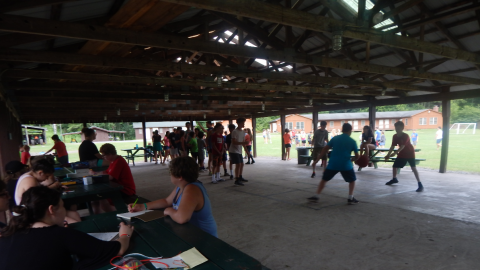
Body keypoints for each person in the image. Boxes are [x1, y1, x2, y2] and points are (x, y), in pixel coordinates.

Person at [0, 186, 133, 269]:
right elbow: (117, 249)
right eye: (63, 206)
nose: (64, 211)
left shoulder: (8, 233)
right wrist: (124, 234)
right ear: (51, 210)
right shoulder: (60, 235)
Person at [128, 157, 217, 237]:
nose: (170, 175)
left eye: (171, 173)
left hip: (205, 238)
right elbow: (167, 201)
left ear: (180, 177)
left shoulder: (192, 189)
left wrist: (169, 211)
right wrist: (143, 206)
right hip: (192, 234)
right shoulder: (182, 185)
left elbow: (182, 218)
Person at [308, 123, 360, 205]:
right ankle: (350, 198)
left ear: (342, 130)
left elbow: (325, 149)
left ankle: (316, 196)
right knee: (352, 180)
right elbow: (357, 156)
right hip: (345, 165)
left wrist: (316, 160)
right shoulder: (352, 141)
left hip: (333, 164)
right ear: (350, 130)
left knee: (324, 180)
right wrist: (353, 159)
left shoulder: (335, 138)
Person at [14, 159, 80, 223]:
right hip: (33, 214)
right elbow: (36, 201)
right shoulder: (30, 180)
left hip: (38, 211)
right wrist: (54, 187)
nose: (47, 178)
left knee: (74, 214)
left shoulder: (30, 175)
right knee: (71, 220)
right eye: (47, 176)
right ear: (40, 173)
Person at [384, 121, 424, 192]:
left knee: (413, 168)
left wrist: (394, 153)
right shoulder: (395, 136)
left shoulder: (406, 136)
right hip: (402, 154)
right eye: (396, 128)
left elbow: (402, 146)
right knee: (394, 166)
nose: (397, 130)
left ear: (402, 128)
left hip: (409, 153)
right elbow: (392, 146)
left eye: (398, 128)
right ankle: (394, 179)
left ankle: (420, 184)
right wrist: (388, 155)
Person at [99, 144, 137, 208]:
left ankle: (116, 213)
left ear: (110, 154)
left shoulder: (119, 161)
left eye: (104, 155)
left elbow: (110, 177)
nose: (103, 157)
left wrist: (96, 176)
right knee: (99, 197)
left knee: (103, 198)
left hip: (125, 189)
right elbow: (106, 172)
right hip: (118, 187)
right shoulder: (112, 161)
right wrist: (96, 173)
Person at [229, 118, 249, 186]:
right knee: (238, 164)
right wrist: (243, 142)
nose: (243, 124)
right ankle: (237, 179)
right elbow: (233, 142)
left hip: (239, 150)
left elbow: (243, 143)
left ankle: (240, 176)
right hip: (233, 150)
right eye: (243, 123)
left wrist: (247, 151)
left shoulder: (243, 132)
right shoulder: (234, 131)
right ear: (239, 123)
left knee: (241, 164)